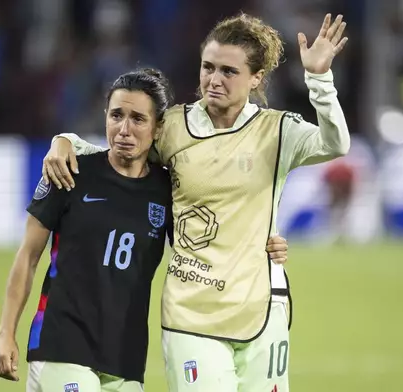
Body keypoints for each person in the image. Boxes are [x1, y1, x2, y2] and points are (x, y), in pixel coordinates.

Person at [41, 12, 350, 392]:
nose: (214, 79)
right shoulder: (172, 126)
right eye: (208, 67)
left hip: (262, 304)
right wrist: (66, 140)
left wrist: (319, 79)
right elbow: (116, 152)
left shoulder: (278, 130)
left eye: (228, 71)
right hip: (192, 309)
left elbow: (335, 144)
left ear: (256, 79)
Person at [0, 66, 293, 391]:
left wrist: (266, 244)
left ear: (157, 128)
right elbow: (28, 257)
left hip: (126, 358)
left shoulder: (168, 190)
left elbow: (210, 243)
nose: (124, 129)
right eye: (116, 116)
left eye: (138, 119)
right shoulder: (70, 173)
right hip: (62, 343)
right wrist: (5, 334)